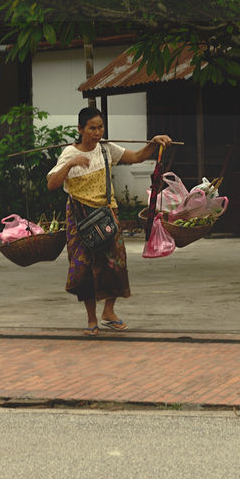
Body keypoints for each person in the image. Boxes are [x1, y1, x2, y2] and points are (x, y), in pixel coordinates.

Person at [47, 106, 172, 336]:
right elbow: (52, 184)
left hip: (107, 215)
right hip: (80, 218)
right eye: (92, 128)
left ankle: (109, 312)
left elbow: (136, 157)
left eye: (100, 127)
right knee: (84, 267)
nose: (97, 133)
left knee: (116, 263)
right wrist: (70, 164)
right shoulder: (69, 154)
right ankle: (92, 319)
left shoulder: (106, 150)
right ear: (80, 129)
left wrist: (154, 143)